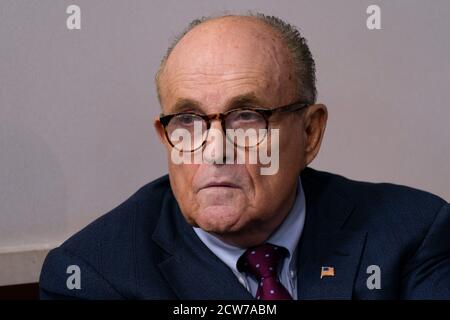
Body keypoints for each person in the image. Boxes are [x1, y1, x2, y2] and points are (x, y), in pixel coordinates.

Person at [39, 13, 450, 300]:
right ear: (166, 138)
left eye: (247, 117)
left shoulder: (413, 233)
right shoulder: (94, 275)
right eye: (187, 119)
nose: (215, 150)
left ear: (310, 133)